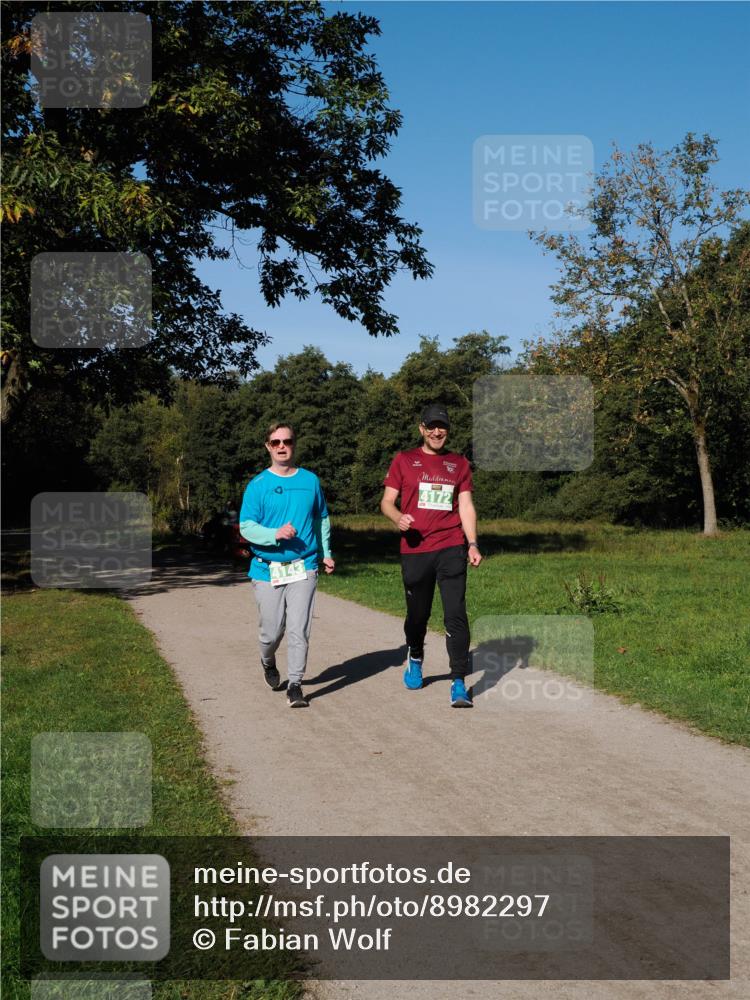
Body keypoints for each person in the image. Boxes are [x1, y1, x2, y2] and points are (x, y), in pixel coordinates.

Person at [380, 403, 482, 707]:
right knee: (418, 616)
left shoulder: (459, 464)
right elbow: (386, 502)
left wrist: (472, 543)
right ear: (422, 429)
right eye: (432, 426)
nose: (438, 432)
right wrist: (398, 517)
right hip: (415, 549)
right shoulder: (404, 460)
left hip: (451, 546)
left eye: (443, 427)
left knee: (455, 614)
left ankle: (458, 681)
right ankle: (415, 655)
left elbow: (466, 506)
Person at [239, 422, 335, 707]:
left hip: (303, 566)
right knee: (271, 631)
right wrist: (274, 534)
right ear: (268, 447)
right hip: (266, 568)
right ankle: (267, 660)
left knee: (298, 628)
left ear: (294, 444)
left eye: (287, 441)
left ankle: (295, 684)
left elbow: (321, 518)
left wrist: (326, 552)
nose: (282, 446)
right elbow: (246, 527)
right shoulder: (258, 485)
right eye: (276, 442)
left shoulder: (310, 481)